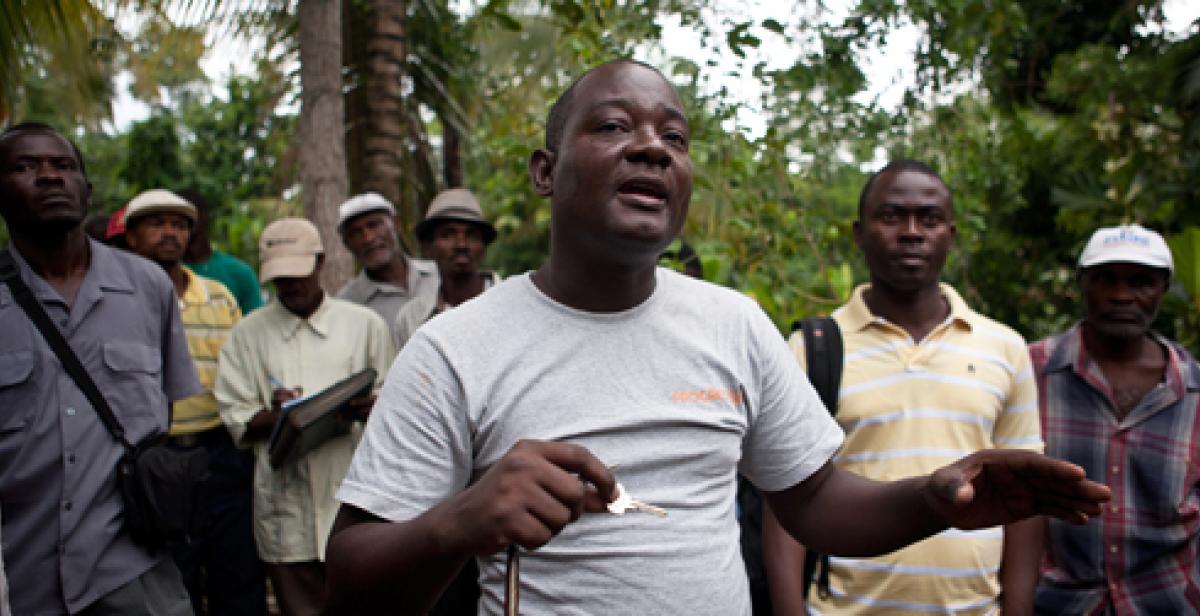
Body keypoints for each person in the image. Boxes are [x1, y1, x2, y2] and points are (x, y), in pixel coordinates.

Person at [323, 59, 1109, 615]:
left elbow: (815, 501)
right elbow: (350, 579)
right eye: (612, 126)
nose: (654, 147)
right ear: (543, 170)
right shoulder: (455, 347)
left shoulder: (731, 323)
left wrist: (937, 498)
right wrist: (457, 522)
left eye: (676, 135)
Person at [770, 160, 1044, 615]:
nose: (912, 232)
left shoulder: (1005, 348)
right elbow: (786, 497)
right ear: (859, 233)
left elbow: (1026, 500)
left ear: (950, 236)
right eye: (892, 216)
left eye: (930, 219)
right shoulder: (813, 349)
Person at [0, 122, 200, 614]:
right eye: (26, 167)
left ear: (87, 191)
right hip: (23, 574)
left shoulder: (148, 286)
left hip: (136, 571)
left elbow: (165, 414)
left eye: (64, 166)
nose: (50, 177)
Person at [214, 217, 394, 616]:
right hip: (285, 503)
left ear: (321, 263)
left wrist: (368, 406)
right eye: (281, 278)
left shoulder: (364, 326)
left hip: (353, 497)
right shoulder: (247, 334)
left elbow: (395, 405)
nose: (292, 285)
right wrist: (278, 415)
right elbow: (236, 415)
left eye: (299, 274)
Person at [1030, 224, 1199, 614]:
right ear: (1082, 283)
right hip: (1057, 604)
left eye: (1141, 282)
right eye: (1105, 280)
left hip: (1168, 602)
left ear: (1164, 288)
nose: (1121, 296)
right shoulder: (1029, 372)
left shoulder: (1195, 391)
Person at [121, 188, 267, 616]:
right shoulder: (115, 300)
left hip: (221, 451)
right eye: (157, 223)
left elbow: (245, 368)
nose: (170, 233)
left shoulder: (220, 296)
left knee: (237, 577)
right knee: (172, 581)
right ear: (131, 236)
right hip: (153, 458)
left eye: (180, 224)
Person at [394, 188, 500, 348]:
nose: (461, 244)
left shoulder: (514, 307)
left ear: (483, 249)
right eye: (447, 235)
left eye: (472, 236)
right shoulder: (411, 318)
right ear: (428, 248)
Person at [335, 192, 439, 339]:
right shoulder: (347, 305)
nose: (368, 238)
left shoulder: (438, 274)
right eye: (355, 233)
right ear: (347, 244)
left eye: (374, 225)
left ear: (396, 223)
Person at [181, 190, 265, 314]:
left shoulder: (238, 273)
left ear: (204, 217)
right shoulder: (164, 273)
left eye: (190, 215)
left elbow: (256, 323)